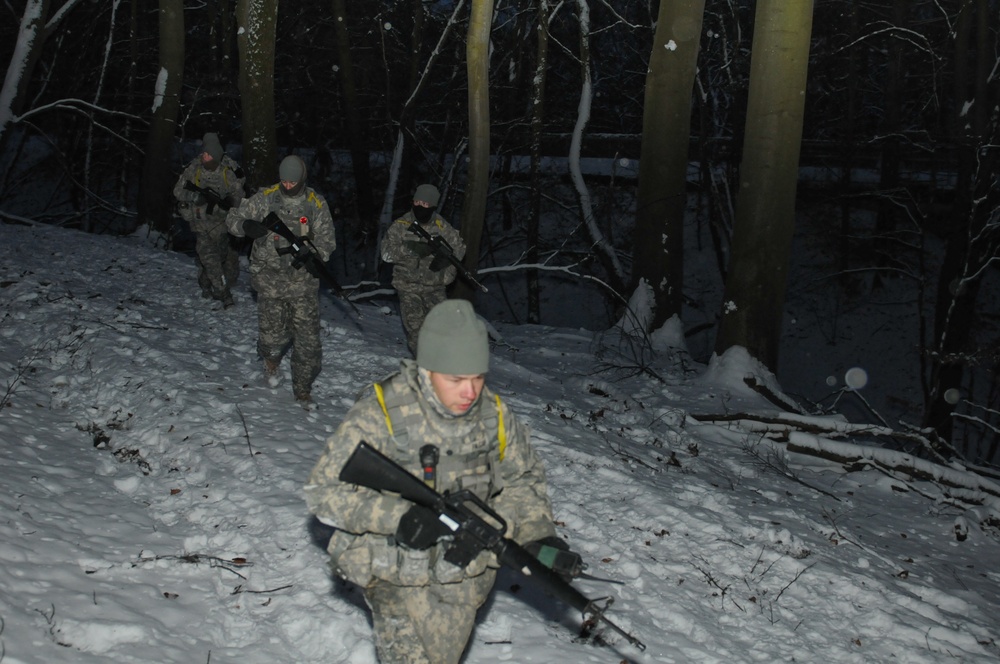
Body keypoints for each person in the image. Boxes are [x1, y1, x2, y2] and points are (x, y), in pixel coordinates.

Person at [304, 299, 579, 664]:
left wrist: (538, 535)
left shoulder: (494, 417)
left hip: (463, 578)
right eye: (456, 380)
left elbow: (522, 482)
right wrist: (397, 517)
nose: (470, 392)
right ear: (428, 369)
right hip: (395, 573)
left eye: (478, 377)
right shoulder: (382, 412)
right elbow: (323, 492)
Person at [226, 154, 336, 406]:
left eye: (292, 182)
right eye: (284, 181)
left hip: (303, 284)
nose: (287, 186)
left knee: (308, 343)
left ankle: (303, 389)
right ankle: (271, 362)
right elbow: (232, 218)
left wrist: (313, 253)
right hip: (269, 281)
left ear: (302, 179)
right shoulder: (266, 198)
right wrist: (245, 226)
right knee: (272, 339)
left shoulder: (315, 204)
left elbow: (328, 243)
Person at [381, 184, 466, 356]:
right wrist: (411, 250)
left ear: (433, 206)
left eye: (425, 204)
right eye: (417, 202)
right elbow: (386, 254)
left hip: (434, 288)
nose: (420, 206)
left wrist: (446, 272)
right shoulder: (401, 225)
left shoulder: (443, 228)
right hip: (408, 287)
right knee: (417, 333)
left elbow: (458, 251)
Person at [173, 132, 245, 308]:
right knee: (210, 257)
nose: (204, 156)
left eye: (208, 154)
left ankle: (206, 282)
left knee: (218, 259)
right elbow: (178, 191)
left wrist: (230, 202)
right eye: (203, 153)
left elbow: (239, 195)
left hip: (221, 224)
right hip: (200, 222)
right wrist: (194, 197)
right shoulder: (194, 169)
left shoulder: (228, 170)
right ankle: (224, 294)